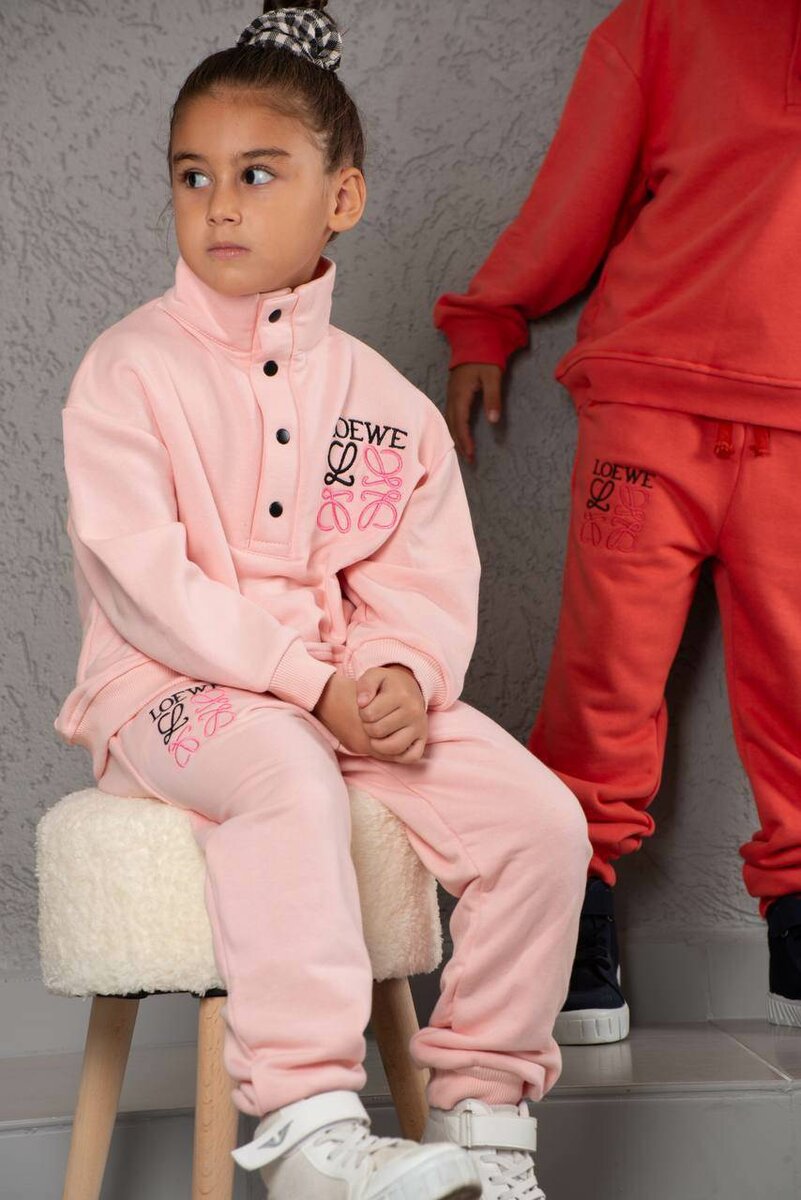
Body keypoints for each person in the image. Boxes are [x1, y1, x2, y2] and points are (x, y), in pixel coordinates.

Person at [53, 4, 591, 1196]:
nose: (220, 205)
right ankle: (308, 1130)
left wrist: (400, 674)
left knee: (541, 822)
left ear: (341, 197)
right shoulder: (127, 370)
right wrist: (308, 686)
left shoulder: (386, 405)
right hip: (171, 694)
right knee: (287, 773)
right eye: (193, 175)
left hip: (345, 691)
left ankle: (486, 1124)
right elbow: (145, 584)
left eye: (257, 173)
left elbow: (423, 577)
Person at [434, 0, 801, 1047]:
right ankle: (571, 918)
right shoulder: (660, 24)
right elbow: (575, 193)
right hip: (647, 408)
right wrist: (488, 316)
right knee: (602, 679)